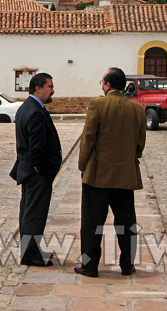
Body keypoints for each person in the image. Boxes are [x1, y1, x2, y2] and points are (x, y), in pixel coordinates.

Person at [68, 68, 148, 277]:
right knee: (126, 223)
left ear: (108, 85)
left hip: (97, 175)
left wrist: (82, 164)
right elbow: (140, 143)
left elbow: (88, 138)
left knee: (91, 224)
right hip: (125, 176)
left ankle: (90, 265)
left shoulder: (97, 104)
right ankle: (127, 265)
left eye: (102, 83)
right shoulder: (137, 109)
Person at [8, 72, 62, 267]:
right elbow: (36, 147)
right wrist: (42, 170)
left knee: (29, 211)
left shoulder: (27, 107)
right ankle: (30, 254)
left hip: (29, 170)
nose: (53, 90)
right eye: (50, 86)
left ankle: (31, 249)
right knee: (34, 214)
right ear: (38, 88)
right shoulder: (34, 112)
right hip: (36, 173)